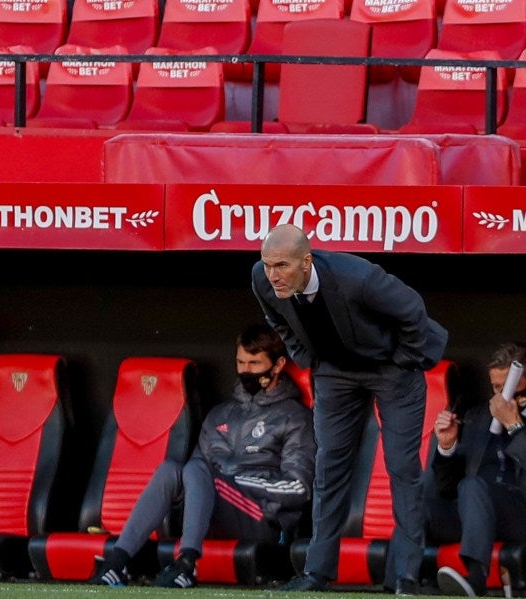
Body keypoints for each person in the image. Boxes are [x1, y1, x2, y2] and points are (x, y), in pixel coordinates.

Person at [252, 224, 448, 595]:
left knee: (402, 468)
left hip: (389, 368)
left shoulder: (357, 278)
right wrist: (305, 356)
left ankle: (406, 576)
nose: (273, 275)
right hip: (335, 371)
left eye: (282, 265)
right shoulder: (262, 281)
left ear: (306, 261)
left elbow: (412, 310)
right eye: (267, 264)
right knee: (330, 466)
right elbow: (276, 320)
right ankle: (317, 573)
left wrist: (402, 359)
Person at [90, 323, 317, 588]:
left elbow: (300, 488)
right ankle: (117, 561)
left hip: (264, 517)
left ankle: (186, 564)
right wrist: (215, 481)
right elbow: (196, 474)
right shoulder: (220, 414)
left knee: (199, 470)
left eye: (254, 363)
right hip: (217, 507)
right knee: (171, 471)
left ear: (277, 365)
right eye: (240, 362)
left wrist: (234, 480)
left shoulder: (295, 417)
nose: (246, 370)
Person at [428, 342, 526, 597]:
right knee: (418, 494)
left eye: (507, 387)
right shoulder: (479, 415)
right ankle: (403, 580)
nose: (500, 397)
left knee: (473, 486)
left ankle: (475, 580)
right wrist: (447, 446)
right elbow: (447, 486)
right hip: (477, 512)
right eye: (495, 388)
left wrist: (515, 425)